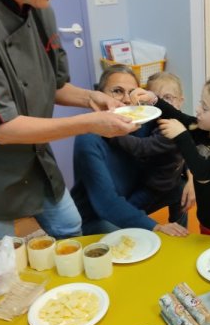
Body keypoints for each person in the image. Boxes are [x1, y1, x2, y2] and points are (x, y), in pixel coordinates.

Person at [0, 0, 137, 247]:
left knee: (70, 226)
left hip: (37, 158)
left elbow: (54, 85)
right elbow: (3, 130)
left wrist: (91, 98)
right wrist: (89, 123)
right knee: (1, 257)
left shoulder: (40, 7)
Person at [131, 76, 210, 242]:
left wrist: (182, 135)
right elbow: (178, 116)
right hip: (208, 223)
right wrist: (154, 100)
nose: (197, 109)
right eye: (200, 103)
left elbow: (202, 171)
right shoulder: (204, 130)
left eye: (205, 108)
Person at [71, 66, 190, 237]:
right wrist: (155, 227)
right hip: (97, 216)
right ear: (99, 95)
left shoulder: (144, 123)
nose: (127, 100)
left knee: (181, 188)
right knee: (130, 240)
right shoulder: (88, 139)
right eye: (117, 91)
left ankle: (181, 236)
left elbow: (178, 146)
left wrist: (192, 178)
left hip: (130, 200)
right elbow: (107, 204)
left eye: (132, 92)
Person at [108, 68, 195, 223]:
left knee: (125, 214)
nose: (161, 104)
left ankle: (179, 230)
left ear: (180, 101)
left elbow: (142, 147)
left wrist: (114, 133)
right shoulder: (152, 120)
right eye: (154, 99)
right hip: (162, 179)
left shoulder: (172, 128)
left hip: (157, 187)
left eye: (167, 98)